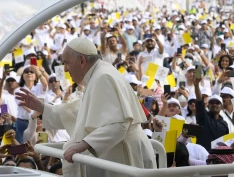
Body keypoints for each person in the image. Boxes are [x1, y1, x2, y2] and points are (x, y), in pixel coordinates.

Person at [16, 37, 156, 177]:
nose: (65, 69)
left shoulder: (103, 77)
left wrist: (84, 144)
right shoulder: (97, 75)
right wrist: (42, 108)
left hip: (125, 156)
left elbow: (119, 124)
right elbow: (82, 112)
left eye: (67, 63)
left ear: (82, 61)